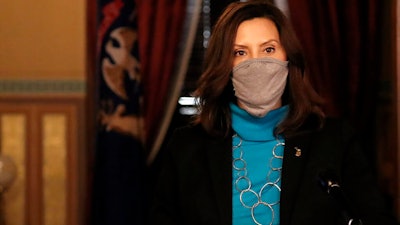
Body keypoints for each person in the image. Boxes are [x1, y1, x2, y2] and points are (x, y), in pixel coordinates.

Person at [148, 1, 399, 225]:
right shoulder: (187, 148)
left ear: (288, 58)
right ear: (224, 66)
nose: (255, 63)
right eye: (240, 52)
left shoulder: (335, 141)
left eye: (268, 50)